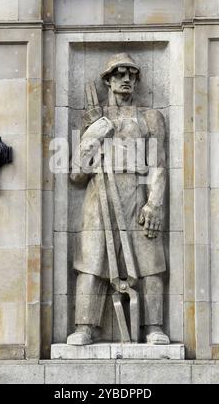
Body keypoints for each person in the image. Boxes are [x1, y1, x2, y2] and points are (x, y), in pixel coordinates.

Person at [67, 53, 170, 345]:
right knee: (92, 259)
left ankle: (153, 327)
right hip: (99, 195)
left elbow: (159, 165)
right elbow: (76, 174)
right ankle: (85, 327)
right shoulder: (94, 119)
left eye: (131, 74)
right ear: (108, 80)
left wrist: (155, 202)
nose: (126, 79)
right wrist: (93, 135)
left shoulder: (151, 118)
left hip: (136, 192)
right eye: (119, 74)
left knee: (150, 260)